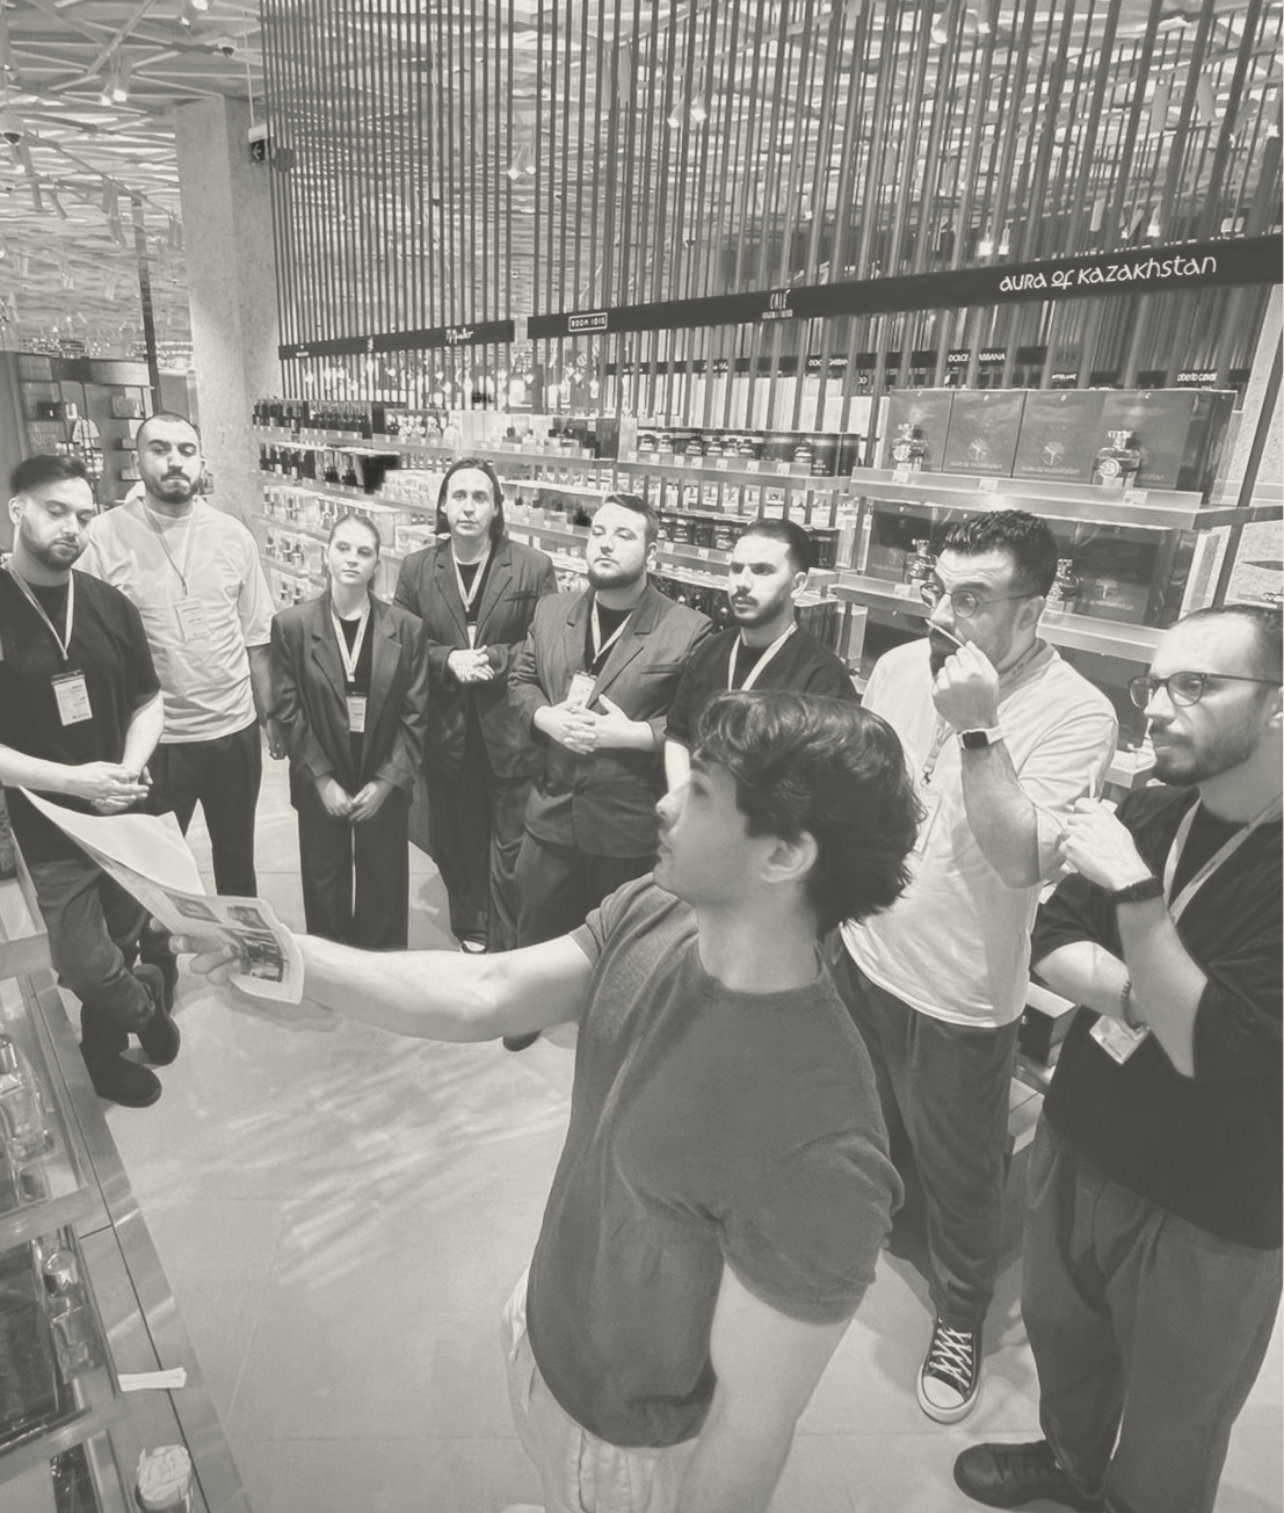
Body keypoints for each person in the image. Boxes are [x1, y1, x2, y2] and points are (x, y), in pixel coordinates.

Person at [174, 689, 919, 1513]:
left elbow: (751, 1427)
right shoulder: (660, 910)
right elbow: (489, 988)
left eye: (700, 791)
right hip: (546, 1321)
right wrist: (295, 960)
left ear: (784, 856)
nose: (665, 803)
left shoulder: (821, 1143)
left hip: (630, 1444)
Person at [955, 602, 1282, 1513]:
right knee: (1063, 1332)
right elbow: (1054, 935)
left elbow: (1213, 1043)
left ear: (1279, 706)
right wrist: (1152, 996)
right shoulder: (1153, 802)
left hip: (1212, 1195)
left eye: (1197, 684)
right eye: (1157, 682)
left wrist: (1134, 894)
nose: (1160, 707)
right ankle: (1068, 1461)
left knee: (1179, 1409)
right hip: (1084, 1130)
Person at [829, 509, 1118, 1424]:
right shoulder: (898, 665)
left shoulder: (1079, 709)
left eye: (975, 597)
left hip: (960, 990)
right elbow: (870, 782)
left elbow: (1025, 859)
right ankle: (853, 1227)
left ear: (1041, 605)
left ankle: (960, 1312)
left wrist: (980, 730)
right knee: (860, 1118)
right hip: (865, 947)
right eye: (939, 590)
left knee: (964, 1177)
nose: (947, 615)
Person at [0, 455, 178, 1108]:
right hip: (50, 826)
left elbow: (147, 700)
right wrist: (73, 781)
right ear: (18, 509)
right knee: (82, 961)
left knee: (125, 935)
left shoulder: (109, 605)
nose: (73, 526)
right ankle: (145, 1007)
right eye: (56, 510)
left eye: (84, 515)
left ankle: (102, 1056)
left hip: (126, 811)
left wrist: (129, 766)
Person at [80, 412, 275, 898]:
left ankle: (245, 954)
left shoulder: (233, 535)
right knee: (156, 868)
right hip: (157, 741)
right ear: (139, 458)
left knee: (237, 857)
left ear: (201, 461)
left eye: (186, 451)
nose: (174, 461)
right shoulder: (103, 537)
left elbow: (256, 638)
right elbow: (87, 652)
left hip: (234, 732)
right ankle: (159, 967)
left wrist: (270, 719)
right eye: (160, 449)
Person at [508, 492, 711, 950]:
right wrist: (545, 717)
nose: (605, 544)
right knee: (535, 945)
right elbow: (520, 681)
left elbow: (703, 722)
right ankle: (522, 1026)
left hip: (627, 830)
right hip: (550, 817)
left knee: (619, 955)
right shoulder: (551, 611)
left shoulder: (688, 629)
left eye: (623, 535)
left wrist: (637, 735)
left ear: (651, 553)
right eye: (598, 532)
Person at [393, 459, 557, 953]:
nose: (468, 506)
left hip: (509, 729)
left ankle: (508, 934)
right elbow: (399, 642)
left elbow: (545, 640)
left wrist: (493, 658)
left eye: (479, 497)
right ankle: (471, 922)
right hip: (446, 731)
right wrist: (447, 662)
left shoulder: (531, 565)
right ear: (442, 505)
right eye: (458, 496)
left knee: (512, 841)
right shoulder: (419, 567)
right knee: (457, 840)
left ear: (497, 507)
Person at [270, 513, 430, 950]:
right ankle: (333, 961)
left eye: (364, 552)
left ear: (378, 562)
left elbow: (416, 714)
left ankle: (379, 963)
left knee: (385, 877)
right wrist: (321, 779)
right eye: (343, 548)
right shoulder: (293, 626)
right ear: (326, 554)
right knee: (324, 876)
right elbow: (288, 708)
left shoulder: (407, 629)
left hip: (383, 770)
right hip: (321, 771)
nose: (353, 560)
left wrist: (385, 782)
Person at [664, 518, 856, 790]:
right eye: (736, 569)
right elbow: (678, 735)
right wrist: (684, 799)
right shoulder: (710, 650)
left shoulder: (823, 679)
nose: (742, 583)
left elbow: (824, 787)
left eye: (762, 571)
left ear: (798, 585)